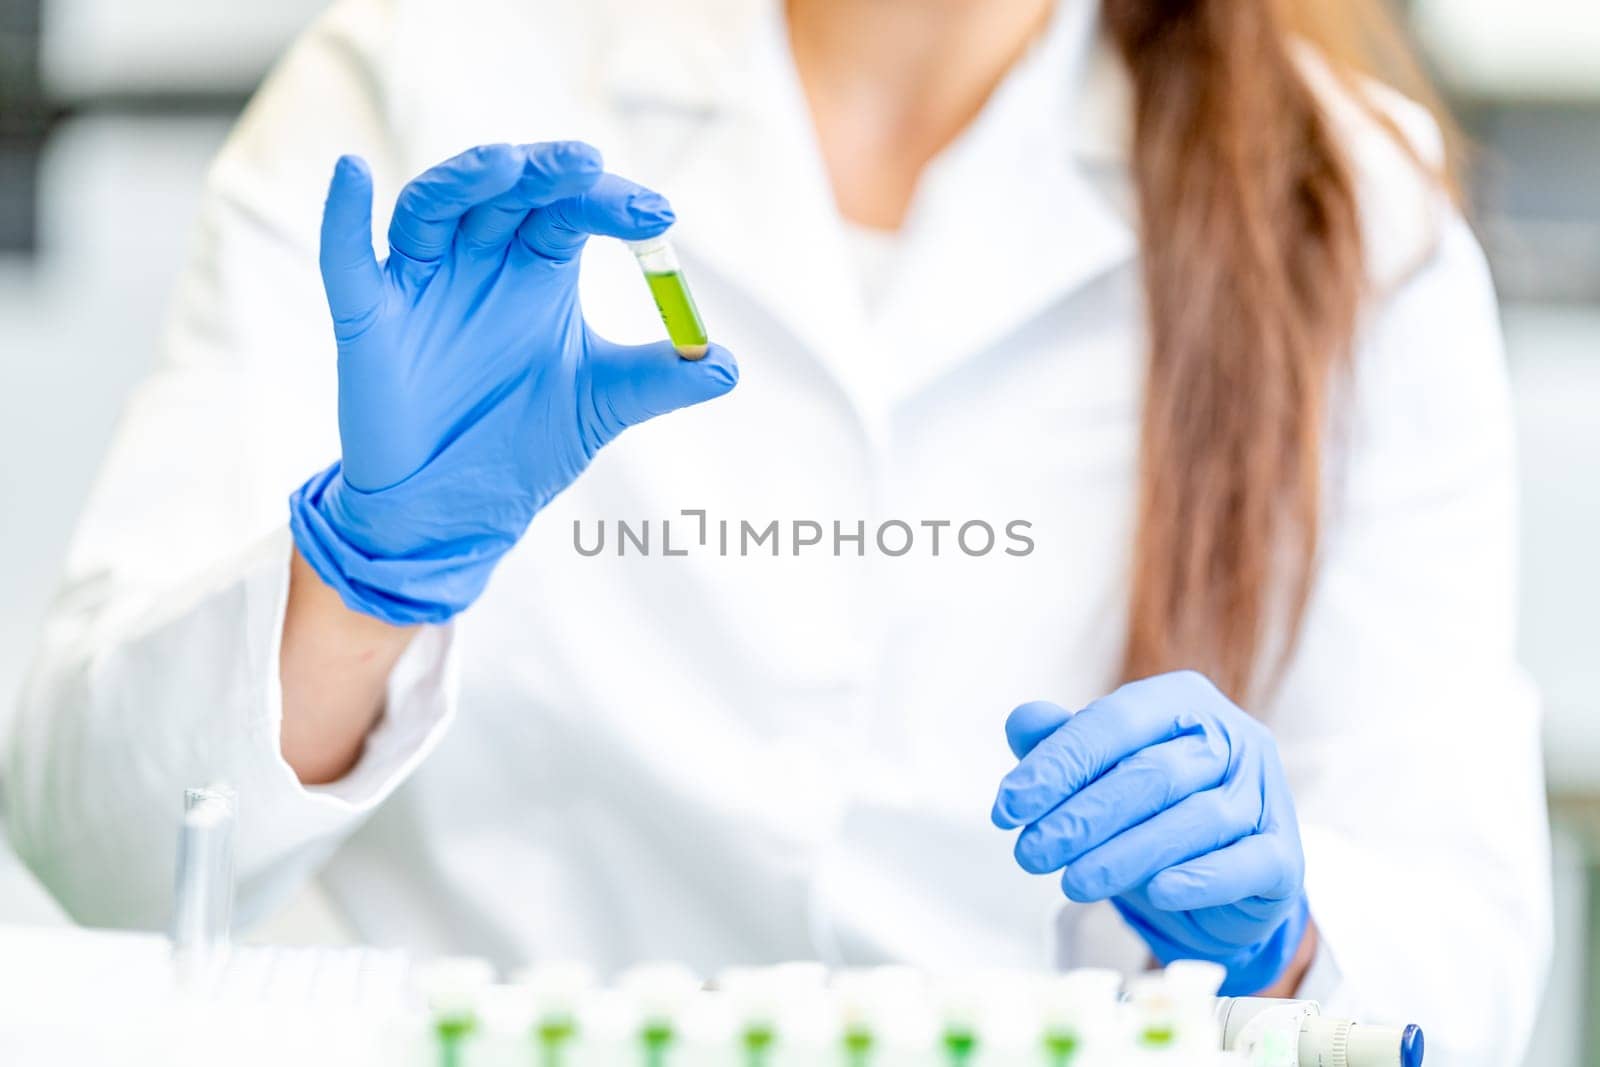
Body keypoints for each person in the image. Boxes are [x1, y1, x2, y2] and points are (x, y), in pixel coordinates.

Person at [7, 0, 1550, 1061]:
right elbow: (105, 853)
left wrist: (1290, 938)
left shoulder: (1357, 214)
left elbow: (1461, 960)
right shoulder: (430, 75)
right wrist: (367, 577)